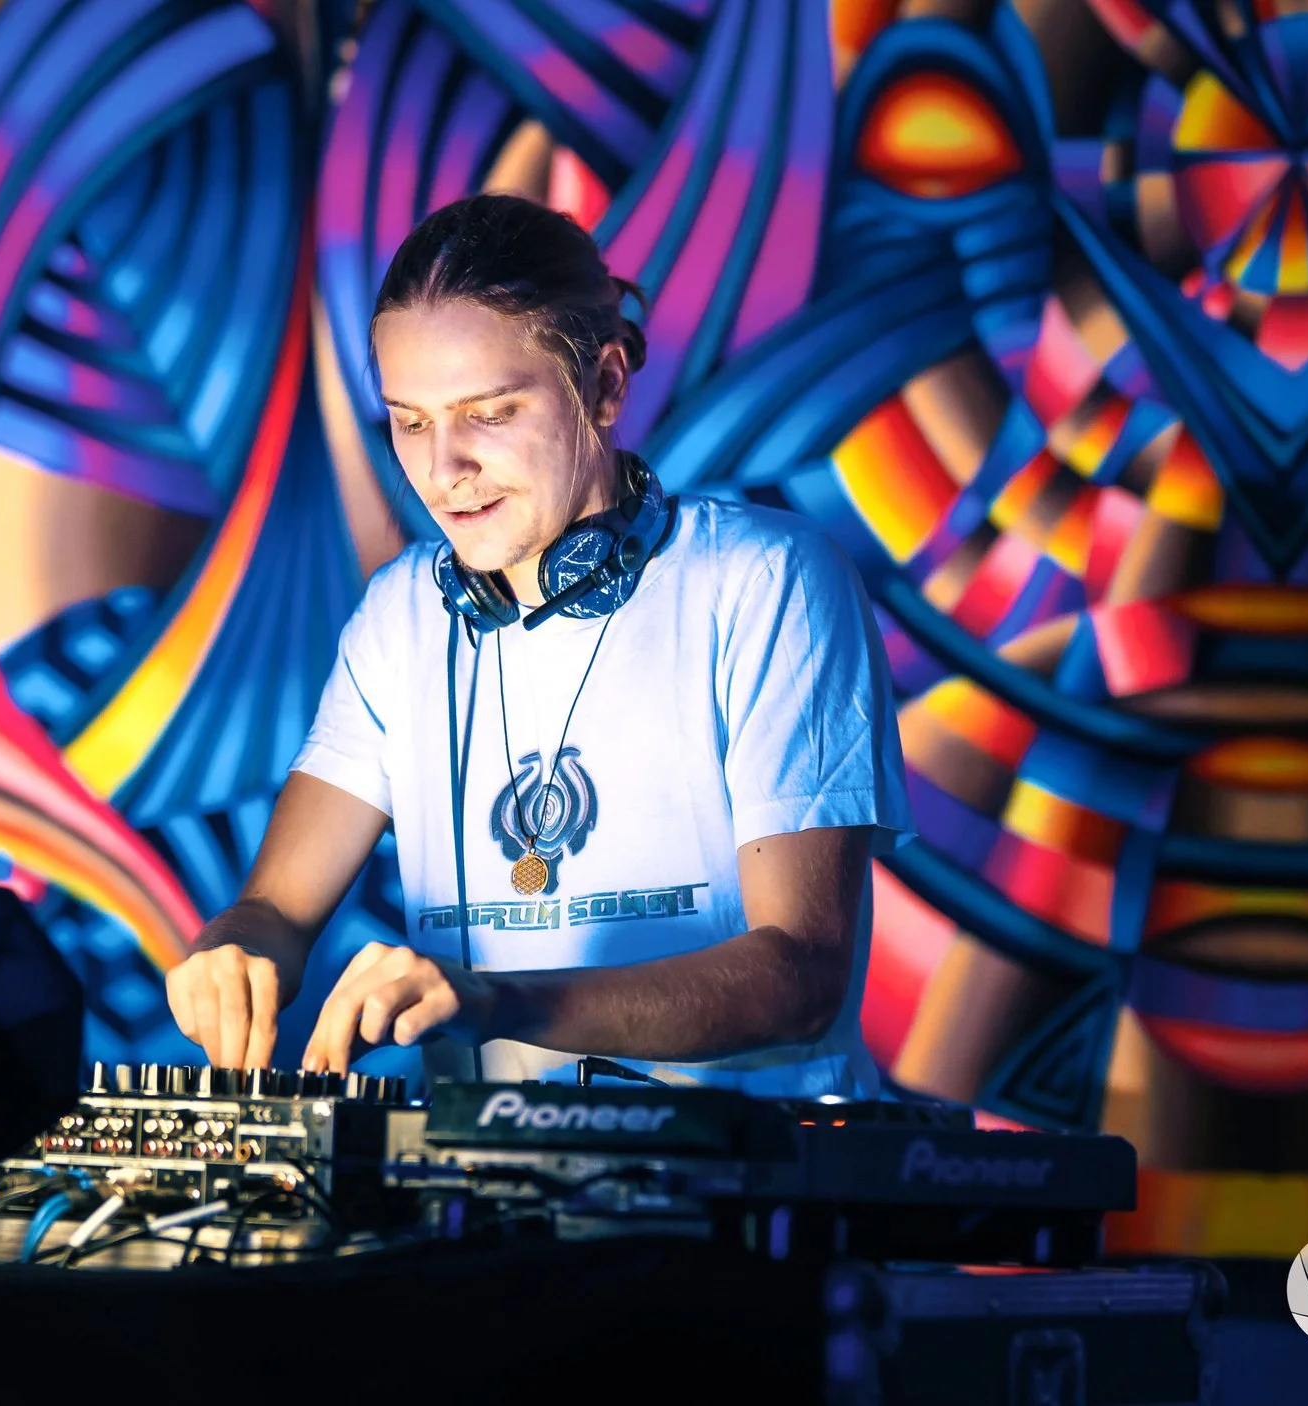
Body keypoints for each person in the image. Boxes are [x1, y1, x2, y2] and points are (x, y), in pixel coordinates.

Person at [163, 193, 911, 1097]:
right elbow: (274, 909)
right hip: (485, 1208)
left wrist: (498, 1003)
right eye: (410, 421)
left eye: (488, 414)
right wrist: (233, 952)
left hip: (737, 1206)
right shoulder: (402, 618)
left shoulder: (765, 582)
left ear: (602, 386)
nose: (443, 470)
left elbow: (801, 977)